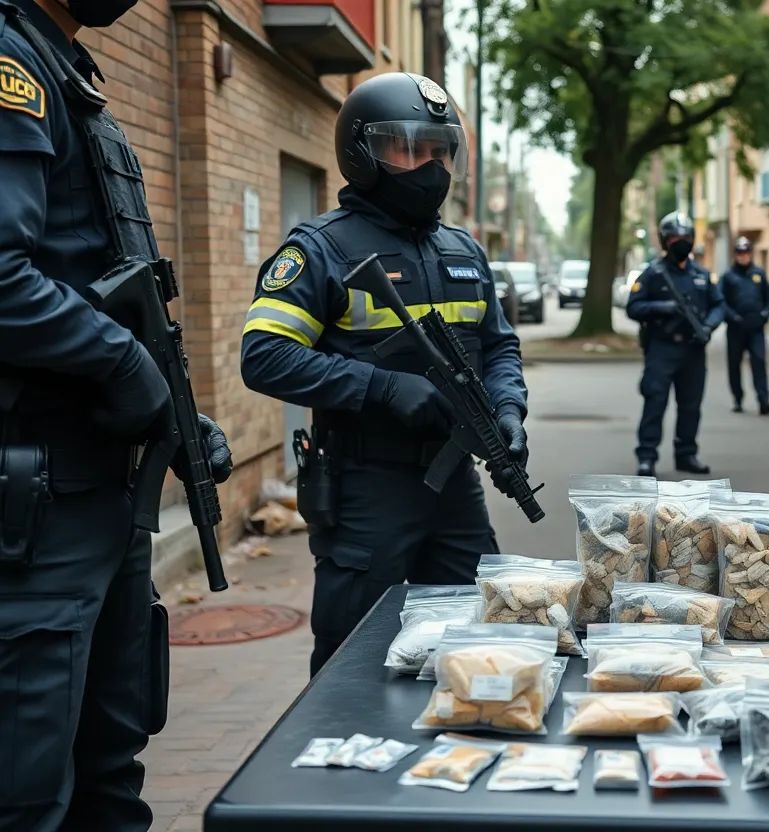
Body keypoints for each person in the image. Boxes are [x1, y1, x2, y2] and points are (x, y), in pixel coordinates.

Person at [0, 0, 233, 829]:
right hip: (34, 508)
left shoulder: (66, 71)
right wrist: (129, 368)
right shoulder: (10, 61)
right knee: (26, 796)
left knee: (110, 769)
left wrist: (176, 413)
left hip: (101, 497)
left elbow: (118, 288)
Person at [240, 72, 528, 677]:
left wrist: (507, 411)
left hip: (454, 488)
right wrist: (384, 387)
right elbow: (265, 354)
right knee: (353, 661)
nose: (429, 165)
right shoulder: (319, 249)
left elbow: (500, 348)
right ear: (362, 152)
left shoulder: (464, 252)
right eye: (409, 147)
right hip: (365, 483)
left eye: (440, 150)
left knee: (480, 640)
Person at [626, 211, 725, 477]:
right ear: (664, 241)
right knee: (655, 403)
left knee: (691, 405)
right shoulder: (653, 274)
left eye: (685, 237)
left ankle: (686, 454)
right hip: (662, 348)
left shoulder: (703, 275)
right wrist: (661, 307)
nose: (680, 242)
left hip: (693, 350)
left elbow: (719, 305)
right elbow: (633, 307)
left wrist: (708, 326)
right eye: (674, 238)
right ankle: (646, 457)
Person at [720, 236, 769, 415]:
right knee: (734, 365)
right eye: (740, 253)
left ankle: (764, 401)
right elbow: (720, 301)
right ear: (735, 255)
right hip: (736, 328)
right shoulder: (728, 277)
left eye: (746, 253)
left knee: (759, 362)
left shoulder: (758, 274)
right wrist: (732, 316)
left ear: (750, 254)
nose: (743, 256)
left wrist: (765, 315)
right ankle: (737, 398)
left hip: (755, 328)